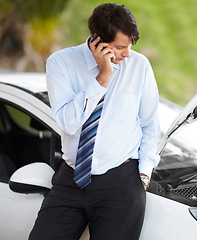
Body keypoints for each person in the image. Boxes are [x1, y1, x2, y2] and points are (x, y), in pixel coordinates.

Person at [29, 3, 160, 240]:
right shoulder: (61, 64)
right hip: (71, 178)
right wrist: (103, 77)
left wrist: (144, 173)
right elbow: (68, 123)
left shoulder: (139, 67)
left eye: (129, 46)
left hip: (121, 182)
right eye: (120, 47)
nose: (127, 54)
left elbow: (150, 125)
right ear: (98, 41)